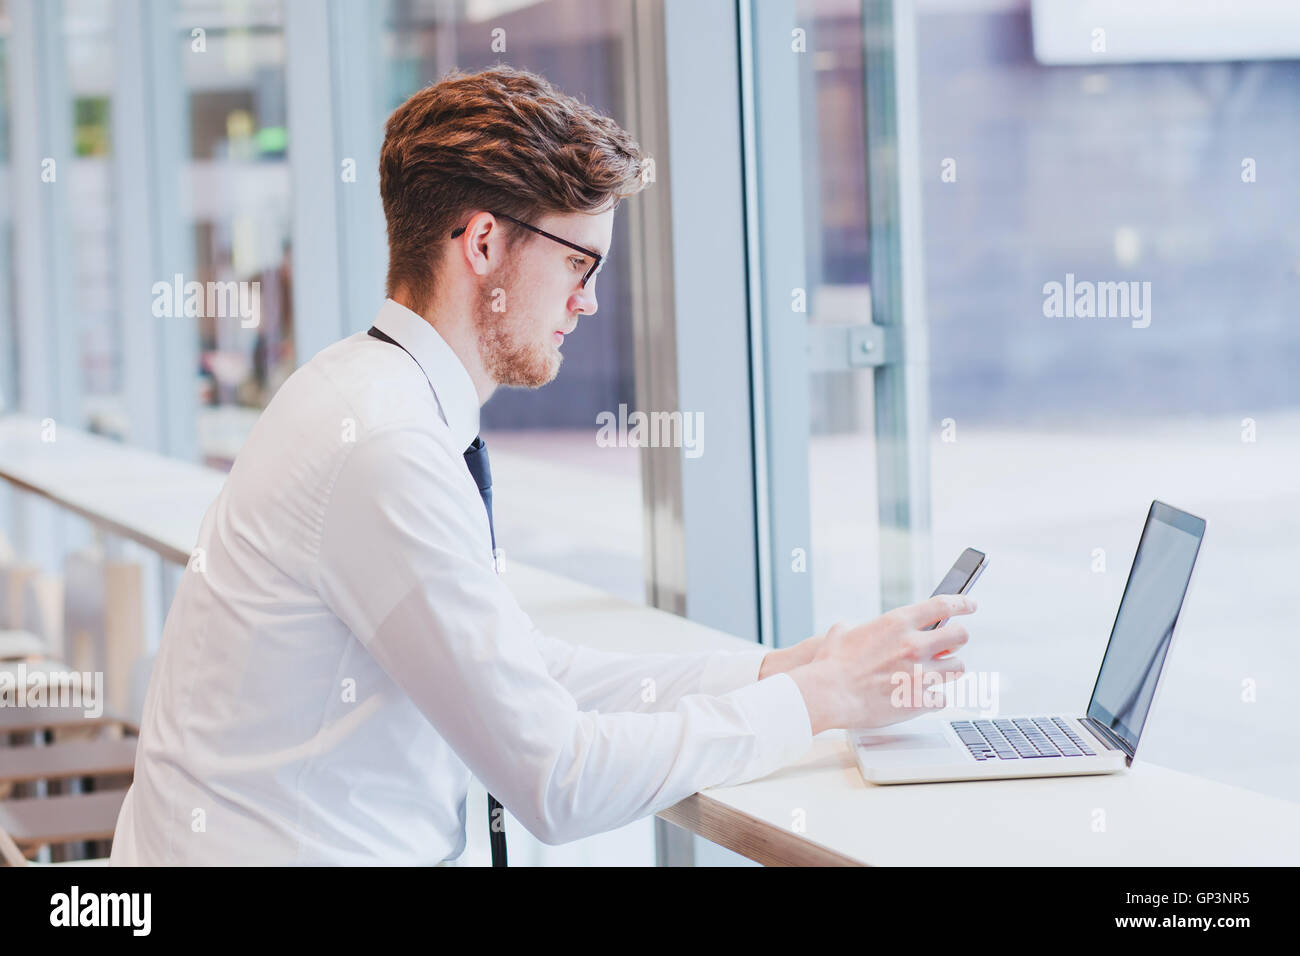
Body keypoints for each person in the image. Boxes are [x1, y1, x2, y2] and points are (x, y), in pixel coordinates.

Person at [109, 65, 973, 865]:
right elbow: (558, 781)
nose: (588, 299)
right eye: (576, 261)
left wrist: (789, 668)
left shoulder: (362, 391)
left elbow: (526, 674)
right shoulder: (384, 447)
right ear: (482, 243)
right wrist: (821, 703)